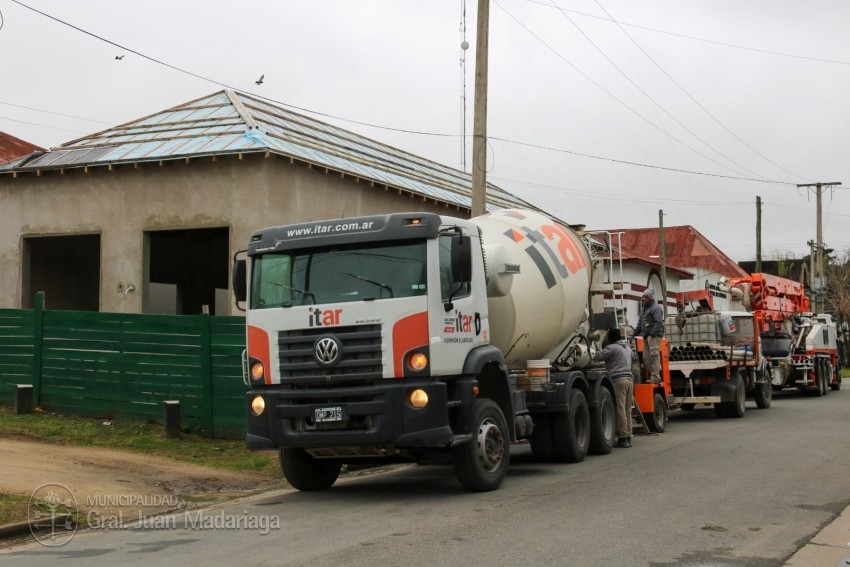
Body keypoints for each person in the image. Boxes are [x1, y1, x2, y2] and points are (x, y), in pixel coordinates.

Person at [595, 327, 634, 448]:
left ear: (611, 337)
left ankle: (623, 438)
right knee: (627, 410)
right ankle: (628, 436)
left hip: (619, 381)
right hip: (629, 380)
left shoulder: (612, 348)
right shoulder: (627, 348)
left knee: (620, 409)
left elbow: (598, 356)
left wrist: (597, 345)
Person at [639, 288, 664, 384]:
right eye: (643, 296)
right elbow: (640, 323)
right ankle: (652, 375)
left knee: (654, 355)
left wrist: (652, 334)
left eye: (645, 297)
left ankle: (656, 376)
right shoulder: (644, 309)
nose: (643, 298)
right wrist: (635, 332)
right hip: (646, 336)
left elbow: (659, 322)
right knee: (646, 358)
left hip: (654, 336)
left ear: (650, 298)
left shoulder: (656, 308)